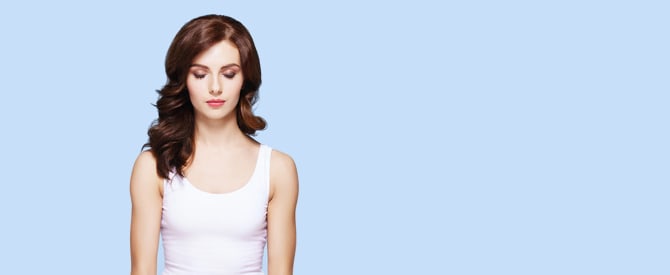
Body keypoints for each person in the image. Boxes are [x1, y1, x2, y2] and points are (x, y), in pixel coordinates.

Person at [129, 14, 298, 275]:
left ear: (245, 80)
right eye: (200, 74)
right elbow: (142, 270)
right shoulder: (152, 167)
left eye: (229, 74)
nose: (215, 87)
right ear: (183, 80)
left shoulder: (278, 169)